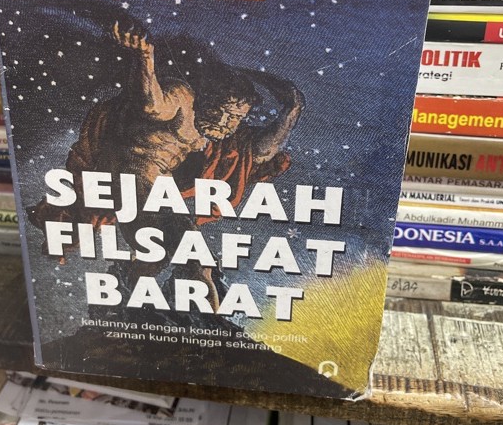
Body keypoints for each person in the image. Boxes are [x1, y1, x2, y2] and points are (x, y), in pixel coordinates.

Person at [29, 22, 304, 309]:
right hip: (134, 188)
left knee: (157, 260)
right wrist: (144, 56)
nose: (225, 122)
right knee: (196, 259)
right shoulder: (182, 99)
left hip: (152, 196)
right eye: (221, 111)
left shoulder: (215, 135)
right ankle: (208, 324)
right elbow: (151, 103)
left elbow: (260, 152)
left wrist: (292, 112)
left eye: (235, 118)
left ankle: (132, 307)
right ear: (207, 98)